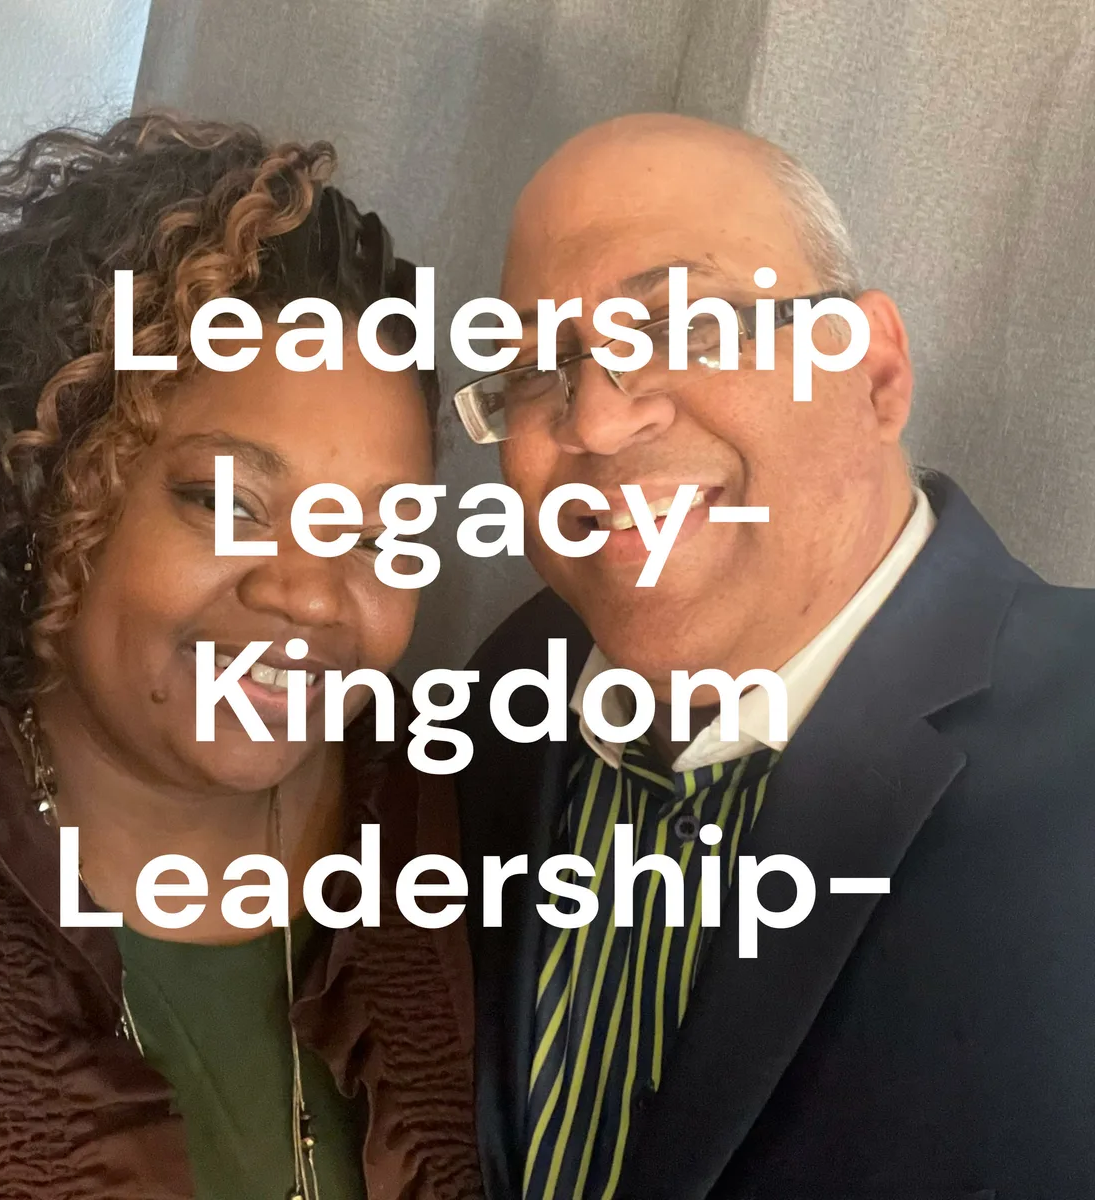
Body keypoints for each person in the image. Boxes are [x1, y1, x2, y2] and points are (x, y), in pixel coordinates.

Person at [452, 113, 1095, 1200]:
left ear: (875, 374)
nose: (595, 421)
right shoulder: (498, 701)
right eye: (532, 367)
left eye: (684, 325)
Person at [0, 114, 481, 1200]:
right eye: (228, 501)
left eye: (381, 536)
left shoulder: (442, 822)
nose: (312, 593)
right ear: (50, 485)